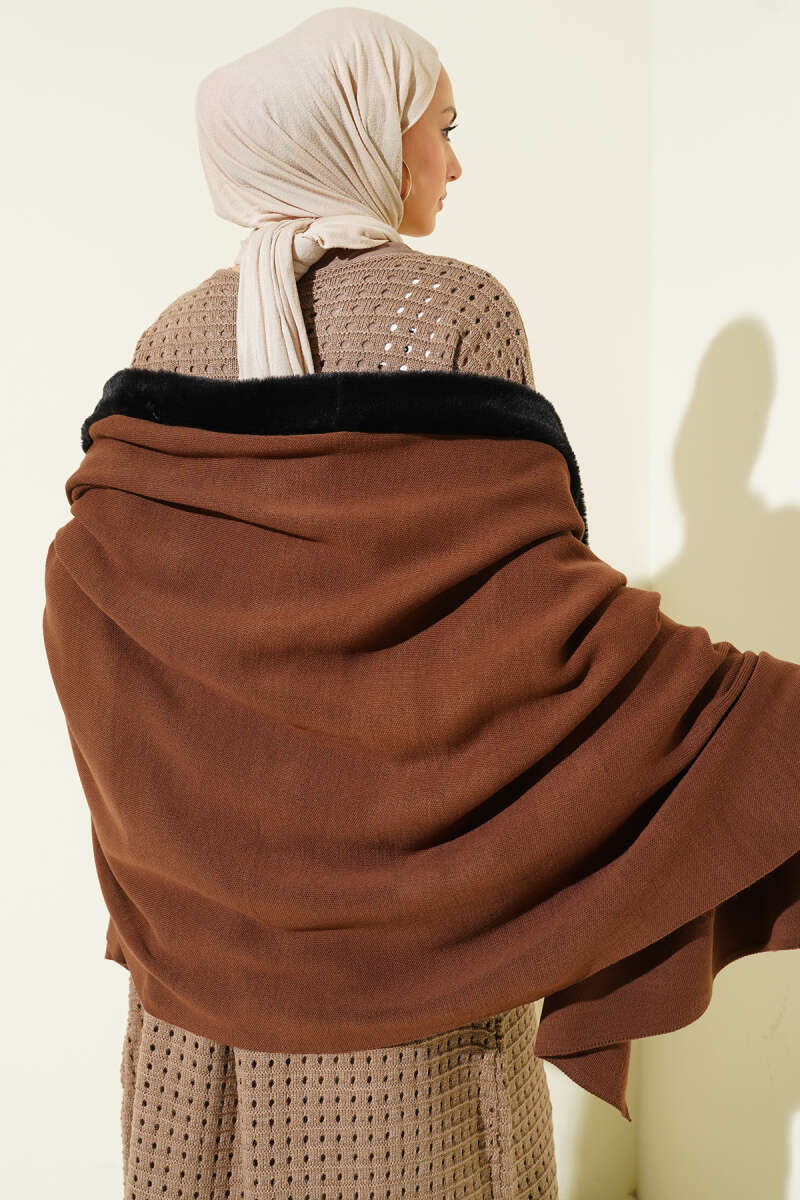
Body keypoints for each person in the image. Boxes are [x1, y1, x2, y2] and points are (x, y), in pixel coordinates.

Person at [120, 8, 558, 1198]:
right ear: (359, 131)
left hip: (211, 875)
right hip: (411, 870)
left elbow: (139, 622)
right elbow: (522, 609)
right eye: (441, 128)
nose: (454, 163)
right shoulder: (458, 311)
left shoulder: (169, 337)